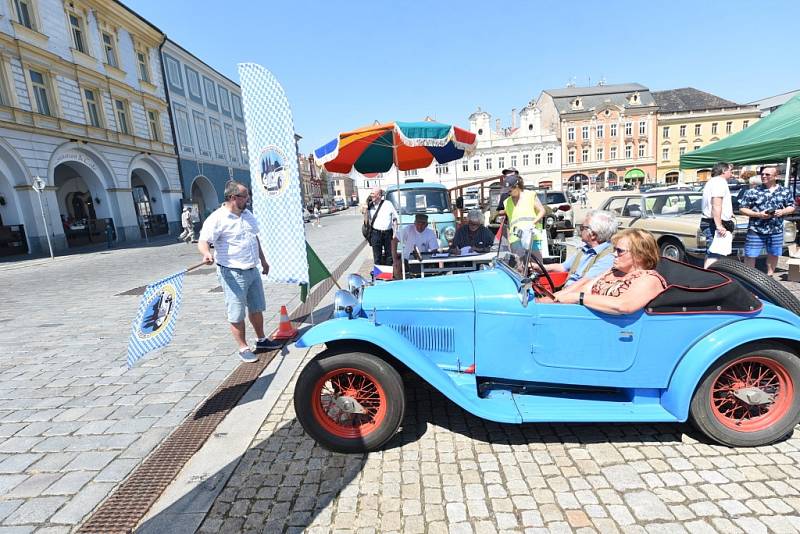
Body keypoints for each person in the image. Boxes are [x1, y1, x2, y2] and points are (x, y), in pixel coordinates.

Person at [197, 180, 281, 363]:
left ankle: (262, 340)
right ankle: (243, 348)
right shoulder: (217, 218)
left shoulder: (247, 214)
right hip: (232, 273)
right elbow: (203, 241)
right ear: (233, 197)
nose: (248, 199)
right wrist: (206, 254)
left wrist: (263, 261)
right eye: (245, 196)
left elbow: (254, 239)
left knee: (257, 307)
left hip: (252, 269)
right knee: (236, 312)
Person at [550, 228, 667, 315]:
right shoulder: (612, 271)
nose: (614, 254)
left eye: (620, 251)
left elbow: (623, 305)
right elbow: (585, 288)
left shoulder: (649, 279)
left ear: (640, 255)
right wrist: (551, 300)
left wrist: (578, 298)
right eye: (614, 249)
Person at [738, 165, 796, 276]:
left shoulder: (785, 191)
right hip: (756, 229)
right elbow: (742, 208)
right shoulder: (753, 191)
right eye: (762, 174)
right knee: (750, 254)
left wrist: (782, 212)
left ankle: (770, 276)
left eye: (767, 174)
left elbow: (792, 206)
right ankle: (750, 278)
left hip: (776, 229)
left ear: (776, 176)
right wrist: (757, 214)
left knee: (774, 254)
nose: (763, 176)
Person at [542, 210, 618, 288]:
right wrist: (539, 267)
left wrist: (553, 298)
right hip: (566, 292)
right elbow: (563, 267)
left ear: (593, 235)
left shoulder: (608, 256)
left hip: (576, 295)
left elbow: (583, 284)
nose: (579, 230)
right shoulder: (586, 249)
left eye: (582, 228)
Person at [700, 162, 735, 268]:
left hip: (712, 222)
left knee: (714, 253)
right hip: (714, 223)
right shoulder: (719, 182)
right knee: (714, 255)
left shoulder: (713, 182)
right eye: (730, 171)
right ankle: (708, 279)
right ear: (724, 171)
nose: (731, 173)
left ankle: (710, 277)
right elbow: (716, 204)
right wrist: (719, 225)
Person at [502, 174, 546, 257]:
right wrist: (508, 241)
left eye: (510, 191)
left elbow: (542, 211)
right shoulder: (507, 202)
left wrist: (533, 223)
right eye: (507, 191)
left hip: (532, 237)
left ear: (517, 186)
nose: (508, 193)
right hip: (515, 239)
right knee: (519, 267)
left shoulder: (530, 195)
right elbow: (509, 224)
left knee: (536, 265)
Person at [367, 188, 398, 265]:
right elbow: (366, 221)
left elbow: (395, 218)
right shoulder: (370, 205)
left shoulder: (388, 204)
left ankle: (388, 276)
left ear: (379, 195)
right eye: (371, 194)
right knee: (377, 257)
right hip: (376, 233)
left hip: (388, 233)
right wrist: (365, 211)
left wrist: (395, 232)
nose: (371, 196)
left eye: (373, 194)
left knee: (389, 256)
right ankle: (378, 276)